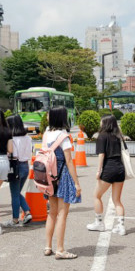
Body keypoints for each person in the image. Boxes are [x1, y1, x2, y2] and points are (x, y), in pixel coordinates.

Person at [43, 107, 82, 259]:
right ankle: (60, 249)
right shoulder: (63, 136)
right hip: (63, 175)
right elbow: (69, 161)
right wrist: (77, 183)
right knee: (62, 214)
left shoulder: (47, 133)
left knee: (51, 213)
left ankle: (48, 246)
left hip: (49, 176)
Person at [87, 114, 127, 235]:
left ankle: (99, 223)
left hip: (108, 169)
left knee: (96, 196)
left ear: (105, 123)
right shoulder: (118, 136)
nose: (100, 123)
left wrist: (98, 171)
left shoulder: (102, 136)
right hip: (120, 169)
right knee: (117, 200)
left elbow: (101, 155)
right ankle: (121, 226)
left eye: (101, 121)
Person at [3, 115, 33, 228]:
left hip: (15, 166)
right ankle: (27, 213)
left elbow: (12, 154)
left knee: (15, 194)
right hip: (25, 166)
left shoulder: (12, 139)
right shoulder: (27, 137)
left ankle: (16, 219)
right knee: (17, 193)